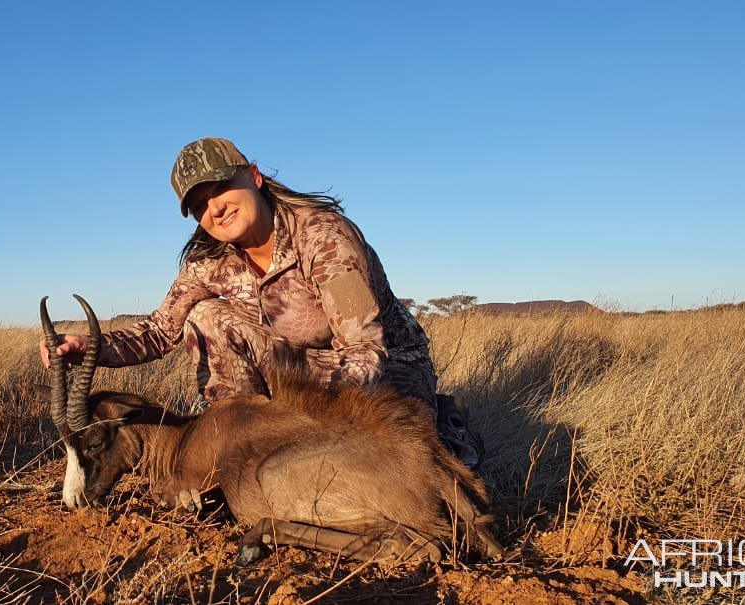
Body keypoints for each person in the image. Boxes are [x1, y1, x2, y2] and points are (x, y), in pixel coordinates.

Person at [39, 137, 483, 468]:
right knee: (206, 315)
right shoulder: (206, 261)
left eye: (219, 188)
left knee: (397, 459)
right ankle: (237, 447)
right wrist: (86, 347)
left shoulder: (325, 238)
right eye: (198, 205)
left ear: (254, 177)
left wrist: (307, 419)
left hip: (382, 371)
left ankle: (446, 425)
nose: (213, 208)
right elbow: (160, 330)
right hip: (296, 369)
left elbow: (366, 353)